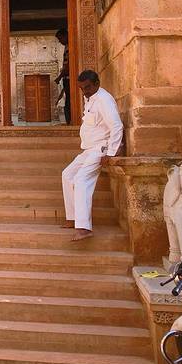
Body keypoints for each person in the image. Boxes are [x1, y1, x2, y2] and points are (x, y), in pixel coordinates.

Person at [61, 70, 123, 242]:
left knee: (81, 180)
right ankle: (73, 217)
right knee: (67, 175)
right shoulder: (89, 98)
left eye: (87, 87)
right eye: (82, 88)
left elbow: (116, 126)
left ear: (97, 83)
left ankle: (84, 228)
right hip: (88, 149)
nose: (85, 91)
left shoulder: (104, 99)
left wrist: (110, 152)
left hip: (100, 148)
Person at [54, 29, 70, 125]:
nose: (60, 41)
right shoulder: (67, 47)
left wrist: (59, 77)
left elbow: (68, 65)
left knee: (69, 102)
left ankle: (71, 122)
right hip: (66, 78)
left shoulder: (70, 47)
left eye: (60, 39)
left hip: (68, 78)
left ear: (65, 36)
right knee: (67, 101)